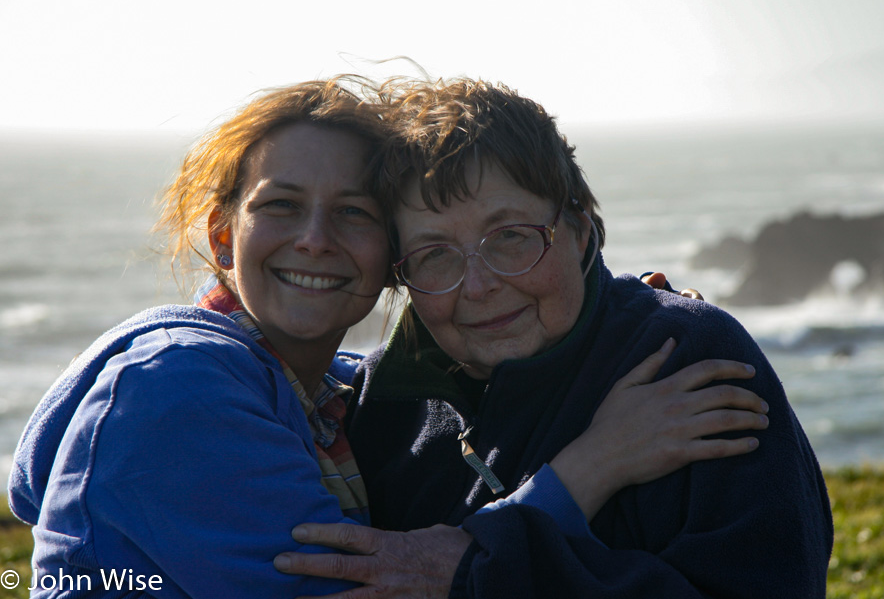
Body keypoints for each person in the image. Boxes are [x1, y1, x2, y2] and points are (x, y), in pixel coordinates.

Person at [7, 78, 766, 598]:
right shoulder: (176, 388)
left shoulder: (337, 401)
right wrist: (592, 464)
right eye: (282, 204)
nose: (313, 239)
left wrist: (617, 317)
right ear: (222, 237)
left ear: (386, 264)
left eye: (354, 213)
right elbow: (389, 584)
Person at [277, 78, 833, 598]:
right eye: (434, 254)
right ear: (401, 274)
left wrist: (478, 571)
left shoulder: (685, 359)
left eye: (511, 237)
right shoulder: (382, 408)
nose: (479, 285)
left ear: (579, 230)